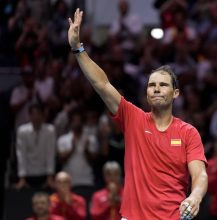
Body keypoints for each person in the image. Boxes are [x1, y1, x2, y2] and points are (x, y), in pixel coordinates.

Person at [68, 8, 208, 220]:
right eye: (152, 85)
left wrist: (195, 197)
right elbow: (102, 84)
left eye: (163, 85)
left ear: (176, 93)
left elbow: (199, 174)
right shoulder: (133, 118)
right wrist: (78, 48)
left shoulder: (188, 133)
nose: (157, 88)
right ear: (147, 93)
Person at [15, 103, 56, 189]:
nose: (36, 117)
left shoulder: (50, 130)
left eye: (38, 114)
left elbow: (50, 154)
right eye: (33, 114)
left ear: (43, 115)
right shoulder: (22, 131)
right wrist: (22, 177)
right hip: (28, 174)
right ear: (29, 116)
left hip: (44, 173)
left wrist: (50, 177)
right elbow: (21, 154)